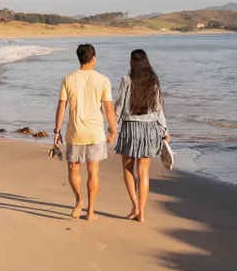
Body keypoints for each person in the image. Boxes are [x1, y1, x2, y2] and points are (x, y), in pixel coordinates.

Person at [53, 43, 117, 221]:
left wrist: (56, 131)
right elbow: (109, 108)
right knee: (93, 173)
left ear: (79, 58)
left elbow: (61, 107)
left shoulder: (68, 79)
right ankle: (91, 211)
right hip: (95, 133)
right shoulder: (103, 80)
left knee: (73, 169)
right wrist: (113, 129)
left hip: (75, 132)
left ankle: (79, 201)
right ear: (93, 58)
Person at [114, 48, 169, 223]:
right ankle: (142, 212)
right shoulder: (154, 80)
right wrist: (165, 130)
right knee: (143, 172)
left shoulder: (126, 80)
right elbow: (158, 108)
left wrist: (112, 127)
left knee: (128, 169)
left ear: (131, 62)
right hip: (150, 129)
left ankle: (135, 206)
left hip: (130, 128)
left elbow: (119, 106)